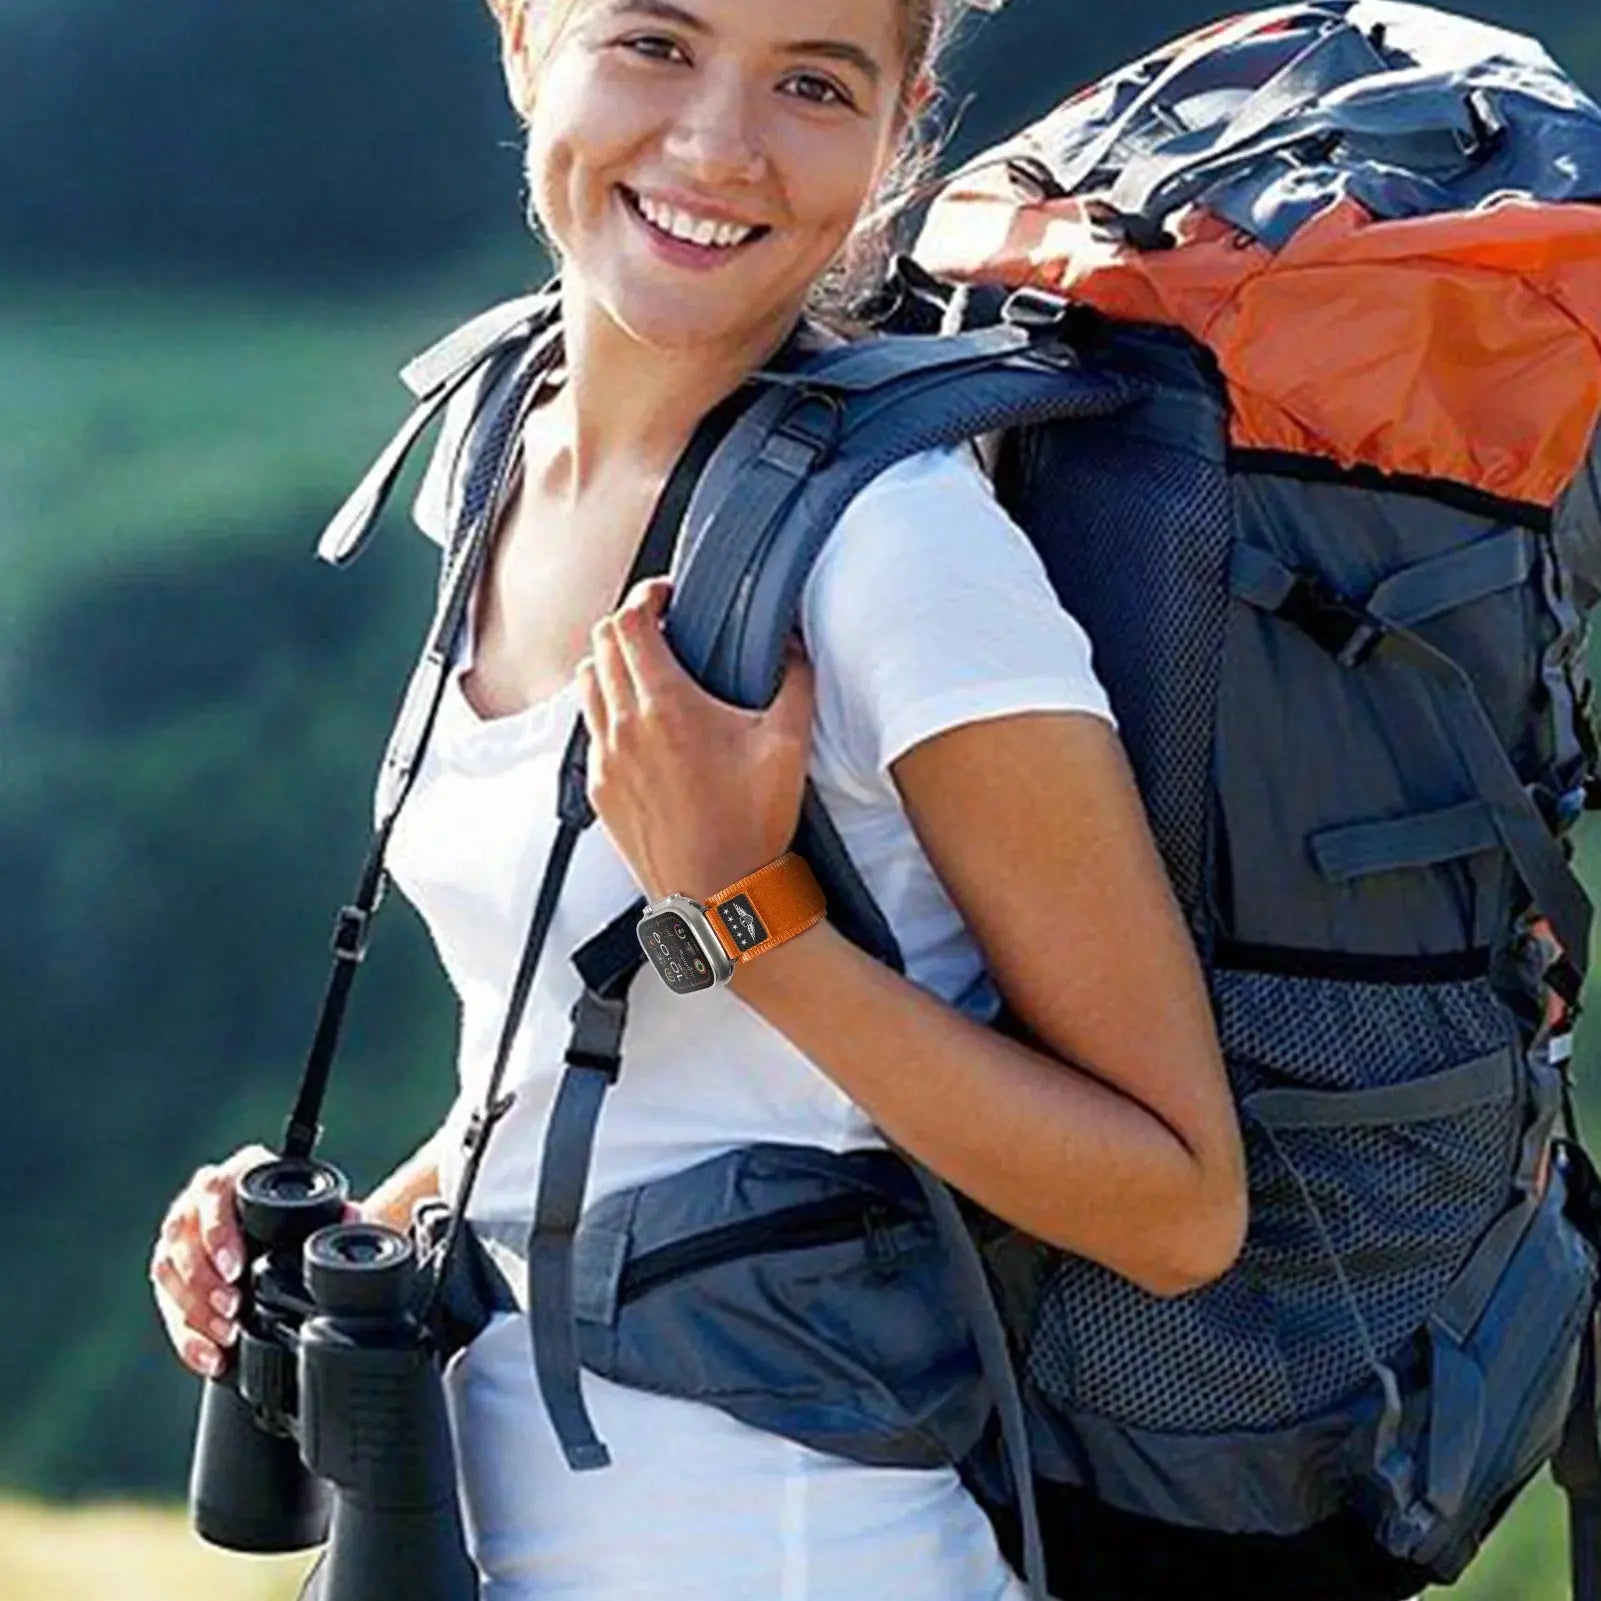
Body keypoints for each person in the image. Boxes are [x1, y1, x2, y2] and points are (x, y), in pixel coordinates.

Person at [148, 2, 1248, 1595]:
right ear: (523, 40)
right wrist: (338, 1229)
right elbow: (595, 1092)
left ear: (898, 125)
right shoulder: (491, 451)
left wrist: (746, 912)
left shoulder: (900, 553)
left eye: (813, 82)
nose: (718, 145)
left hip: (794, 1546)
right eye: (654, 44)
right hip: (483, 1520)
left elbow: (1176, 1202)